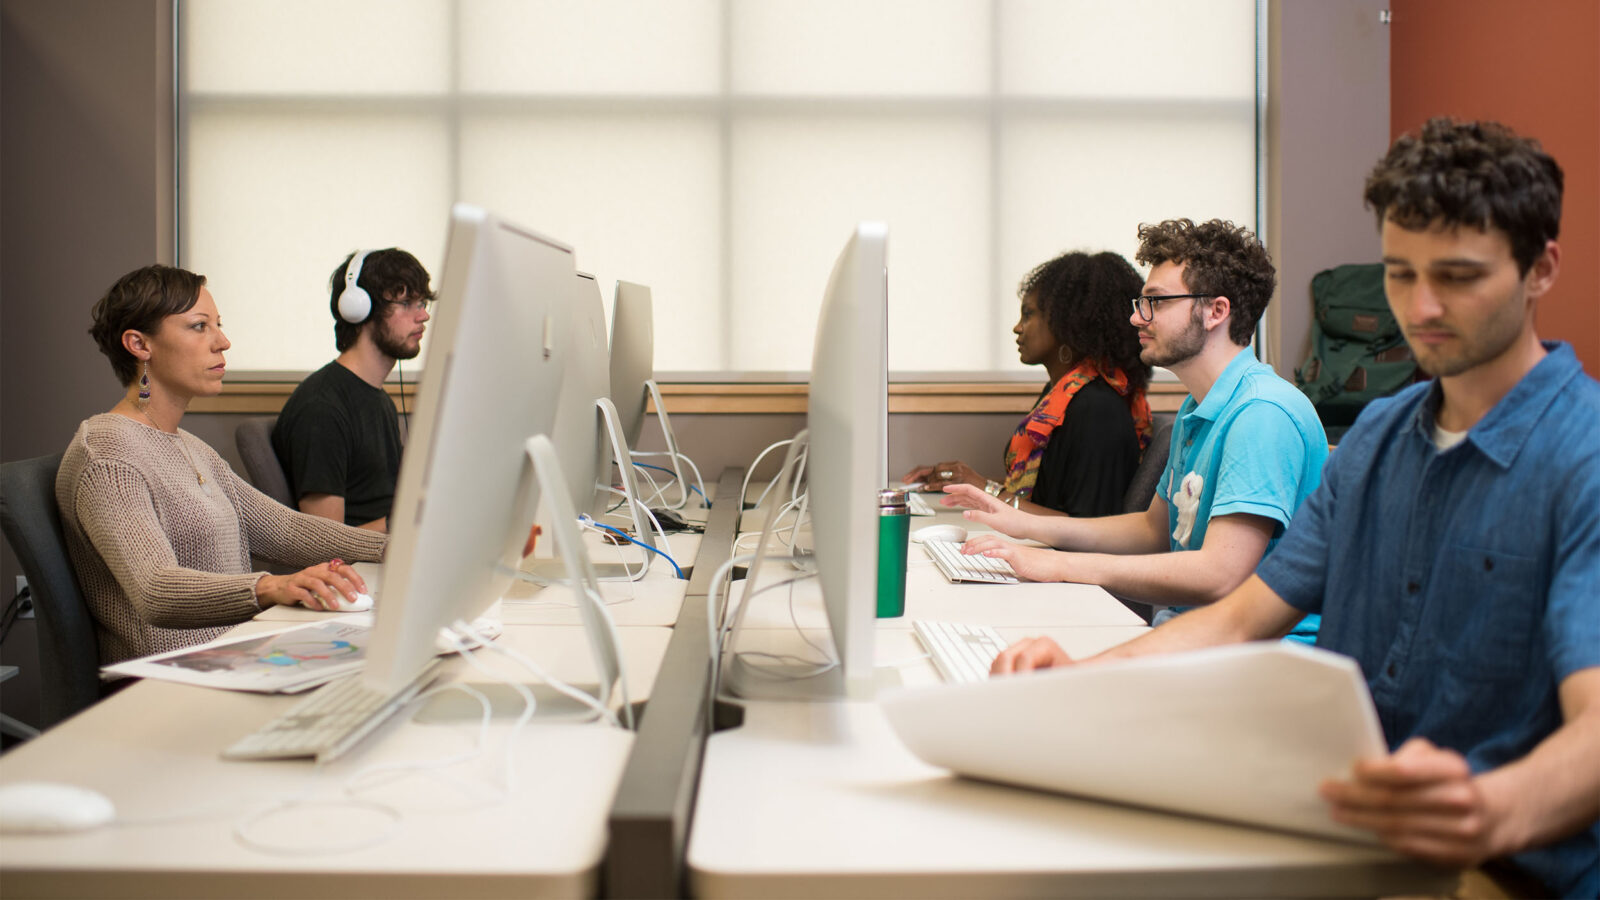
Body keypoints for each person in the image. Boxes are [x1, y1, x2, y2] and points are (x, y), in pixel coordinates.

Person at [991, 119, 1599, 897]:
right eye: (1401, 274)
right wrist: (1082, 676)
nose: (1423, 306)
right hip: (1349, 831)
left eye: (1458, 275)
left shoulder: (1584, 459)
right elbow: (1244, 614)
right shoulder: (1382, 436)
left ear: (1540, 269)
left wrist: (1493, 808)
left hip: (1504, 867)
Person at [949, 220, 1327, 642]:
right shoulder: (1199, 407)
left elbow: (1220, 574)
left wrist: (1061, 566)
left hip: (1263, 657)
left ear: (1216, 311)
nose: (1135, 317)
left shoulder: (1262, 414)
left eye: (1156, 302)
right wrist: (1026, 525)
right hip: (1198, 638)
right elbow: (1152, 530)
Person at [57, 265, 386, 666]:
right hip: (173, 680)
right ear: (139, 344)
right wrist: (272, 586)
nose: (223, 342)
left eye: (219, 325)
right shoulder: (107, 456)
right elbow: (156, 590)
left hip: (240, 656)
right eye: (199, 327)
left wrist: (397, 549)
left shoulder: (192, 448)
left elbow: (284, 529)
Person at [903, 251, 1153, 517]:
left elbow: (1088, 528)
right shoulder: (1060, 397)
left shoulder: (1098, 409)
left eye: (1028, 314)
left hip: (1061, 556)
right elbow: (1046, 495)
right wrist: (969, 484)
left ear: (1065, 322)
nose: (1017, 328)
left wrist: (988, 491)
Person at [272, 248, 433, 531]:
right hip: (360, 572)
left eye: (422, 303)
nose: (423, 317)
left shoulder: (380, 401)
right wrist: (411, 523)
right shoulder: (322, 409)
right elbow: (326, 544)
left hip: (393, 561)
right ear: (360, 308)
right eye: (407, 303)